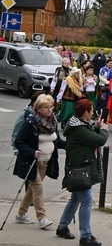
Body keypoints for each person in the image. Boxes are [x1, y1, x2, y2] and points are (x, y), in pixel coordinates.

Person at [56, 98, 109, 246]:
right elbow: (99, 140)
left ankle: (62, 226)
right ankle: (86, 236)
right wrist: (104, 129)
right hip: (80, 169)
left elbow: (91, 136)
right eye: (91, 111)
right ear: (85, 113)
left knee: (75, 199)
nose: (93, 113)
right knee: (86, 201)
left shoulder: (78, 124)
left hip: (79, 166)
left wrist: (98, 126)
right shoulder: (79, 128)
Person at [13, 94, 63, 230]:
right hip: (32, 163)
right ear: (38, 108)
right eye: (46, 107)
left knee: (31, 190)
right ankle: (42, 218)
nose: (49, 110)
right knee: (38, 189)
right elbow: (18, 141)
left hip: (45, 163)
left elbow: (56, 140)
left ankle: (21, 214)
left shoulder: (53, 121)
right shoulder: (31, 122)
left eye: (51, 107)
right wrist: (31, 152)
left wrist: (70, 144)